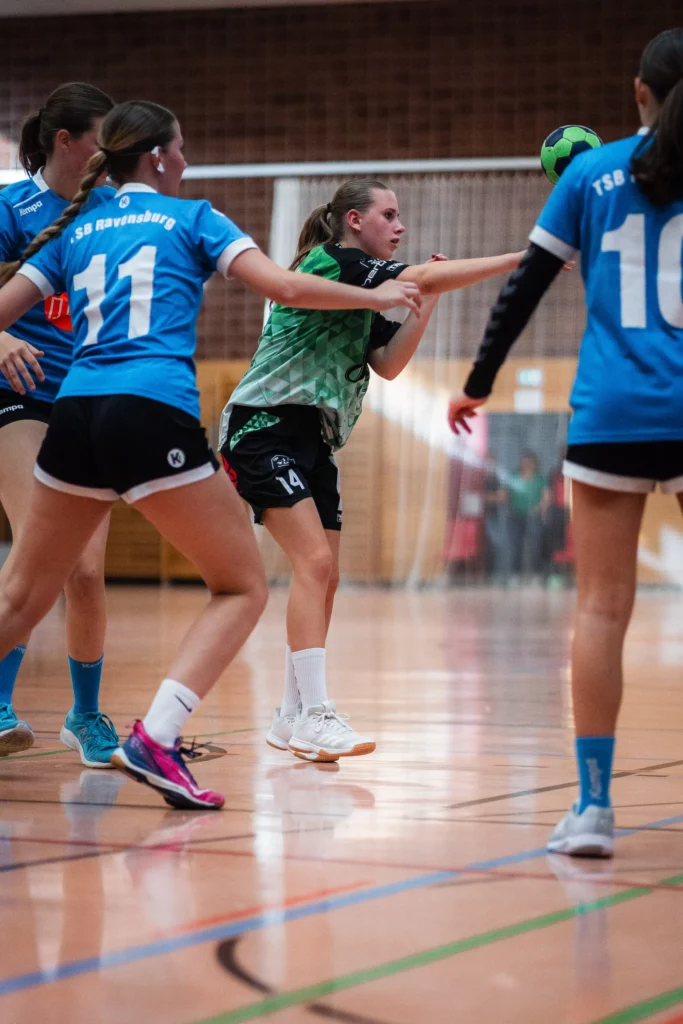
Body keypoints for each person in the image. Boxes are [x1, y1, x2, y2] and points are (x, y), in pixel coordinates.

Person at [0, 100, 422, 809]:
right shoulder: (193, 217)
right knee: (241, 586)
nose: (187, 161)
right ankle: (156, 737)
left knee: (20, 596)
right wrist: (382, 297)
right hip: (149, 410)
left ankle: (136, 731)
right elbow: (285, 287)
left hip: (72, 413)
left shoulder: (75, 228)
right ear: (159, 157)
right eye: (182, 149)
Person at [448, 28, 683, 856]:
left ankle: (591, 810)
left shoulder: (590, 174)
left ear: (638, 92)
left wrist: (478, 381)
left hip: (613, 411)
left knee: (600, 610)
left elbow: (523, 287)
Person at [218, 177, 525, 762]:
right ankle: (316, 714)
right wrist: (520, 259)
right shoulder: (332, 262)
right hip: (263, 425)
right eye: (389, 214)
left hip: (314, 437)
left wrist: (426, 303)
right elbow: (419, 276)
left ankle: (291, 715)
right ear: (355, 221)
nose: (400, 226)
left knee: (326, 574)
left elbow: (386, 363)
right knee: (312, 562)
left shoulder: (366, 291)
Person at [0, 82, 118, 764]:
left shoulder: (113, 213)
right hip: (15, 395)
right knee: (40, 549)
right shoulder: (12, 208)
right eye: (102, 140)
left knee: (87, 572)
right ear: (65, 141)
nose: (111, 154)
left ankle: (86, 715)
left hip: (87, 400)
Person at [507, 451, 549, 579]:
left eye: (528, 462)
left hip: (533, 516)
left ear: (534, 463)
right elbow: (506, 493)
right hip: (516, 515)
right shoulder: (514, 476)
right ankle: (515, 574)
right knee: (516, 545)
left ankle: (536, 574)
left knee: (535, 545)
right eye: (523, 461)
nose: (526, 464)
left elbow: (546, 497)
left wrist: (539, 507)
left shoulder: (540, 479)